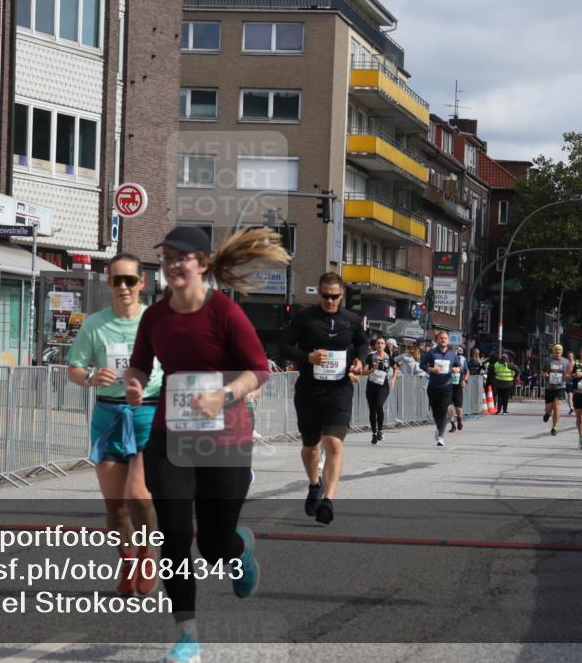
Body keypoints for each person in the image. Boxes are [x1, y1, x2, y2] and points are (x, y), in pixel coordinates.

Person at [124, 226, 288, 663]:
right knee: (175, 536)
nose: (172, 264)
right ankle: (187, 638)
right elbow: (139, 366)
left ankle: (239, 548)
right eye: (167, 257)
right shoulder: (155, 317)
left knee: (213, 546)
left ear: (201, 263)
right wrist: (134, 384)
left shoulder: (224, 313)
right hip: (170, 436)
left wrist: (224, 394)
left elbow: (259, 369)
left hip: (225, 437)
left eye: (181, 257)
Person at [67, 253, 163, 598]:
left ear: (142, 283)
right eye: (116, 280)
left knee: (138, 494)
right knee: (116, 506)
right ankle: (127, 561)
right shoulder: (95, 324)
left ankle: (148, 554)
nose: (123, 287)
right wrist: (91, 377)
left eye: (130, 280)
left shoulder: (156, 321)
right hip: (109, 416)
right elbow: (74, 368)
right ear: (109, 283)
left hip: (147, 414)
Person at [280, 272, 367, 523]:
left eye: (334, 296)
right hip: (309, 390)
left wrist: (360, 361)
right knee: (310, 447)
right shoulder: (305, 318)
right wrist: (307, 357)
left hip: (339, 390)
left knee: (333, 443)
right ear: (319, 294)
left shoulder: (351, 320)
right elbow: (284, 346)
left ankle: (328, 501)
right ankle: (314, 484)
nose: (330, 301)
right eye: (325, 296)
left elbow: (363, 344)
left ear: (342, 295)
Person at [419, 330, 463, 446]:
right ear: (437, 340)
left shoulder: (452, 354)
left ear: (448, 341)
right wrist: (431, 369)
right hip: (433, 386)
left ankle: (440, 437)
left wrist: (457, 369)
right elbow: (421, 365)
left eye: (445, 338)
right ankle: (439, 429)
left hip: (446, 386)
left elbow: (460, 367)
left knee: (444, 410)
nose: (443, 340)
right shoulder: (431, 353)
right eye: (441, 338)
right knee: (436, 412)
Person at [362, 336, 397, 444]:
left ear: (385, 345)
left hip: (383, 385)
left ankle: (380, 431)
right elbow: (363, 371)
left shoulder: (388, 357)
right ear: (375, 345)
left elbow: (395, 368)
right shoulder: (370, 356)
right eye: (378, 343)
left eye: (382, 343)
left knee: (379, 404)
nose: (380, 345)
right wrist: (371, 370)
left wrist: (393, 379)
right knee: (372, 410)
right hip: (371, 385)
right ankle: (374, 433)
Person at [541, 344, 571, 436]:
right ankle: (548, 413)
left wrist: (569, 376)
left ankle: (554, 427)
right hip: (549, 387)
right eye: (556, 350)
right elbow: (543, 371)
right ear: (553, 351)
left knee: (557, 407)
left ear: (562, 351)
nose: (558, 352)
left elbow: (568, 373)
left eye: (559, 350)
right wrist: (544, 374)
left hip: (561, 387)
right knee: (548, 409)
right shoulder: (548, 360)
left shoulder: (566, 361)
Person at [447, 345, 470, 432]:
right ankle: (453, 425)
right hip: (447, 385)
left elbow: (467, 371)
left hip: (457, 385)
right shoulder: (444, 360)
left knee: (458, 408)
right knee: (447, 406)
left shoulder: (461, 359)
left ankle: (459, 421)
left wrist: (465, 380)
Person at [564, 351, 577, 415]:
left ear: (573, 357)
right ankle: (571, 408)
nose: (570, 357)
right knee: (570, 395)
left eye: (571, 356)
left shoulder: (576, 364)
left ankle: (575, 408)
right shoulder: (566, 364)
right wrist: (566, 376)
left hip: (575, 382)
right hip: (568, 381)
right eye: (569, 356)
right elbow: (564, 372)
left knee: (575, 396)